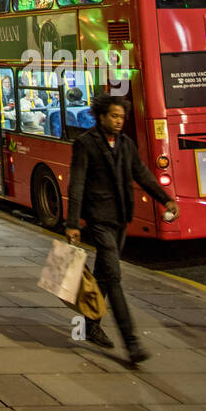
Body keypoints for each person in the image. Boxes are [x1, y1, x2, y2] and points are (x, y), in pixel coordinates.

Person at [65, 93, 179, 363]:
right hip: (98, 218)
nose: (119, 121)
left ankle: (89, 324)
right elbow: (77, 184)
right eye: (114, 116)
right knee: (114, 277)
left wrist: (165, 199)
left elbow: (142, 173)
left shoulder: (126, 144)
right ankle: (132, 343)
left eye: (121, 117)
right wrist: (73, 223)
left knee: (104, 274)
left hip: (121, 218)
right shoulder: (85, 144)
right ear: (101, 116)